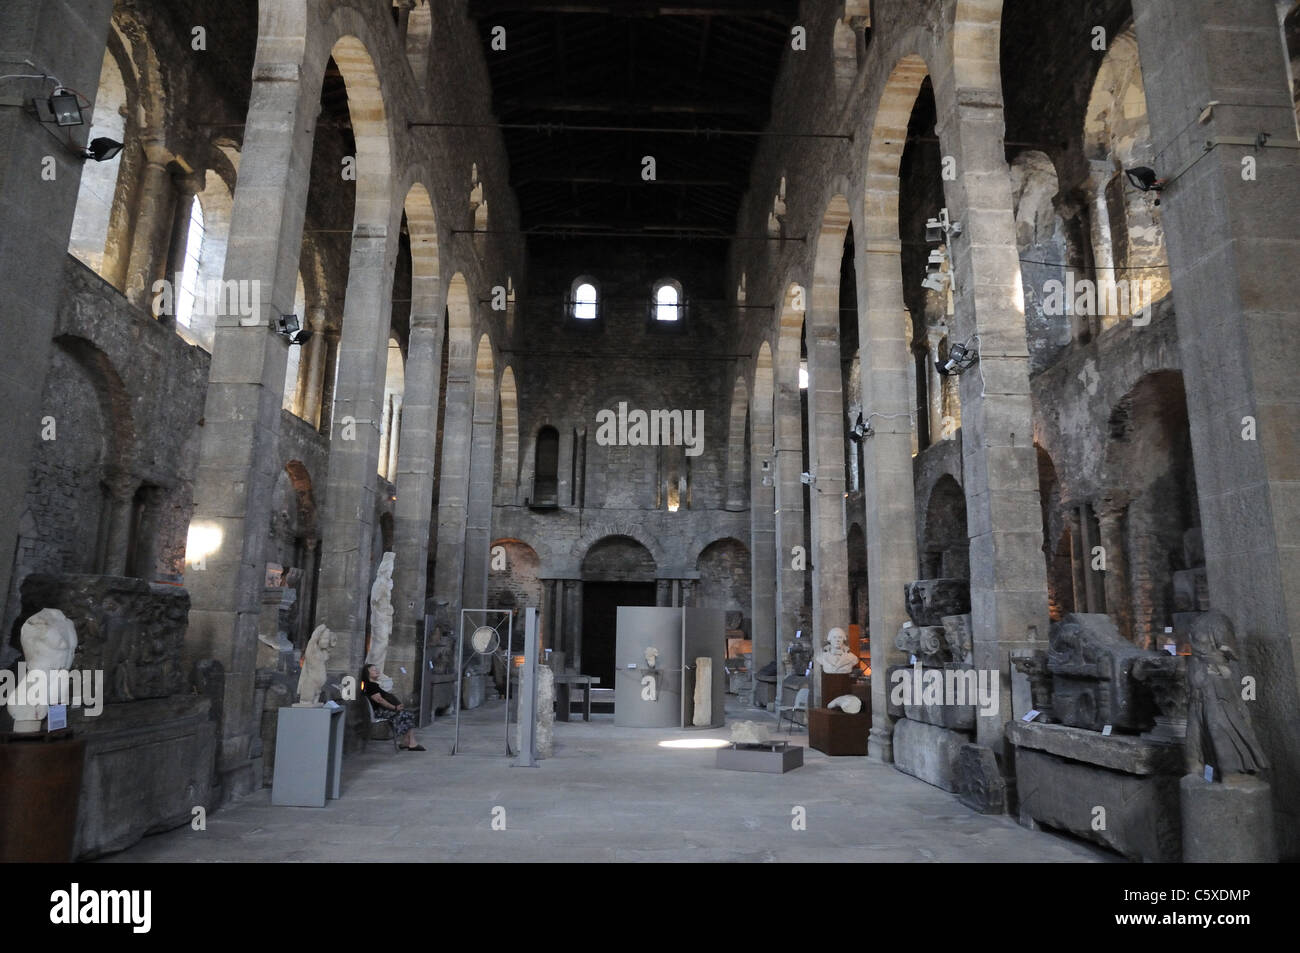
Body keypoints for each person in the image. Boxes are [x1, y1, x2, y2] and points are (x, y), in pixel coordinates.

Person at [361, 663, 424, 751]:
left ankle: (406, 742)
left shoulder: (372, 685)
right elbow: (380, 700)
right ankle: (411, 742)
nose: (377, 671)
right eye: (373, 670)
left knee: (407, 713)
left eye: (377, 669)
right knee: (407, 714)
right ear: (367, 674)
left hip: (381, 710)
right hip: (379, 712)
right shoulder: (371, 686)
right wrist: (394, 708)